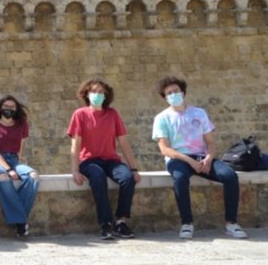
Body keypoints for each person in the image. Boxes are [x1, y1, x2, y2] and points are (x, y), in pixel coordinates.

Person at [151, 75, 246, 239]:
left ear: (183, 92)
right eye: (169, 93)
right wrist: (189, 161)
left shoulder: (199, 113)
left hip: (202, 158)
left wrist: (208, 158)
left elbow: (211, 142)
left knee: (230, 176)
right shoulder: (161, 118)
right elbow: (165, 149)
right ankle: (186, 223)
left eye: (176, 91)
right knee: (180, 179)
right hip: (178, 160)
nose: (173, 95)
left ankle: (231, 223)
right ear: (165, 97)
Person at [66, 76, 141, 240]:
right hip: (88, 161)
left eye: (101, 92)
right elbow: (75, 145)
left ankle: (120, 221)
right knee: (98, 177)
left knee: (128, 178)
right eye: (93, 91)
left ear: (106, 96)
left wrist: (134, 168)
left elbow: (124, 143)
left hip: (111, 161)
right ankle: (105, 223)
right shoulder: (80, 114)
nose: (97, 94)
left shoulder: (113, 114)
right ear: (86, 94)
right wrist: (75, 170)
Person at [0, 94, 38, 238]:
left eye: (12, 107)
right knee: (4, 178)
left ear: (16, 109)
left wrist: (15, 167)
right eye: (6, 106)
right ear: (0, 108)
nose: (9, 109)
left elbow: (20, 148)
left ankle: (18, 217)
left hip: (14, 161)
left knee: (33, 176)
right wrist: (8, 169)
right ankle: (21, 223)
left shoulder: (21, 125)